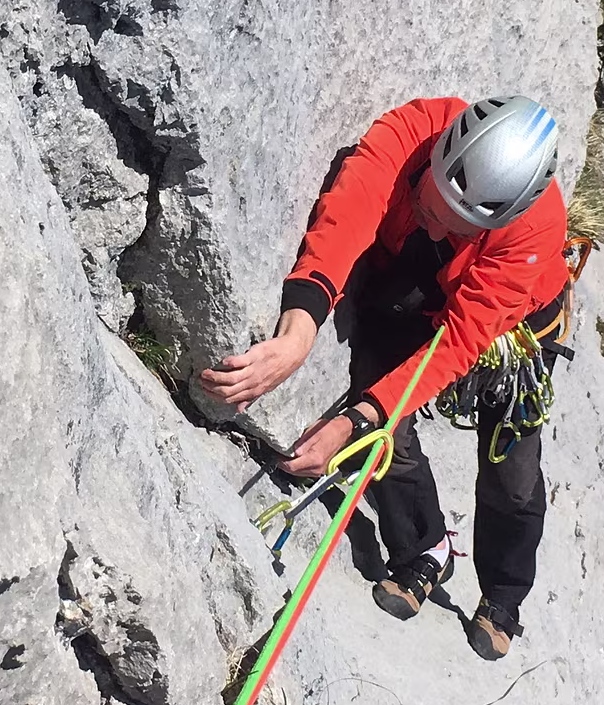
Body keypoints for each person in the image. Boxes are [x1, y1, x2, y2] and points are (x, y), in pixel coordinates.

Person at [198, 96, 572, 661]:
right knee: (385, 425)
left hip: (517, 326)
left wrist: (354, 420)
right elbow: (348, 214)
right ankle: (425, 548)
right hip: (420, 284)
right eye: (430, 200)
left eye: (455, 223)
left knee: (512, 470)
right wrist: (299, 331)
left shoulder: (532, 231)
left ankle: (503, 597)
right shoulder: (411, 132)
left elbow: (456, 344)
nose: (434, 220)